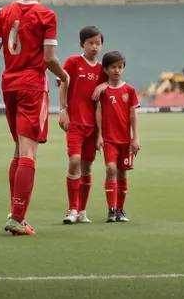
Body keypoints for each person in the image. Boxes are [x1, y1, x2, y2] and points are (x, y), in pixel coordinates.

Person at [0, 0, 69, 236]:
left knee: (19, 151)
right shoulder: (47, 16)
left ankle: (15, 213)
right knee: (29, 153)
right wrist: (66, 77)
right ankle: (18, 219)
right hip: (33, 86)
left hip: (9, 85)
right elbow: (49, 59)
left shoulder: (3, 13)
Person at [59, 26, 106, 224]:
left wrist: (100, 134)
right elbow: (63, 84)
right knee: (74, 161)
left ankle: (82, 211)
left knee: (87, 168)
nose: (95, 47)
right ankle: (72, 208)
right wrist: (63, 110)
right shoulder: (72, 62)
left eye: (98, 43)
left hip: (92, 126)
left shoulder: (101, 70)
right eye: (91, 43)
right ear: (82, 44)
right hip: (75, 123)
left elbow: (103, 99)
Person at [96, 51, 140, 223]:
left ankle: (121, 210)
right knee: (111, 169)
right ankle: (111, 210)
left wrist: (135, 138)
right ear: (105, 69)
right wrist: (99, 135)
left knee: (122, 174)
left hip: (125, 141)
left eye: (120, 67)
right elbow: (98, 112)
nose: (117, 70)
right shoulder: (102, 91)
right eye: (113, 67)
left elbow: (133, 115)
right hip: (109, 140)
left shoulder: (129, 90)